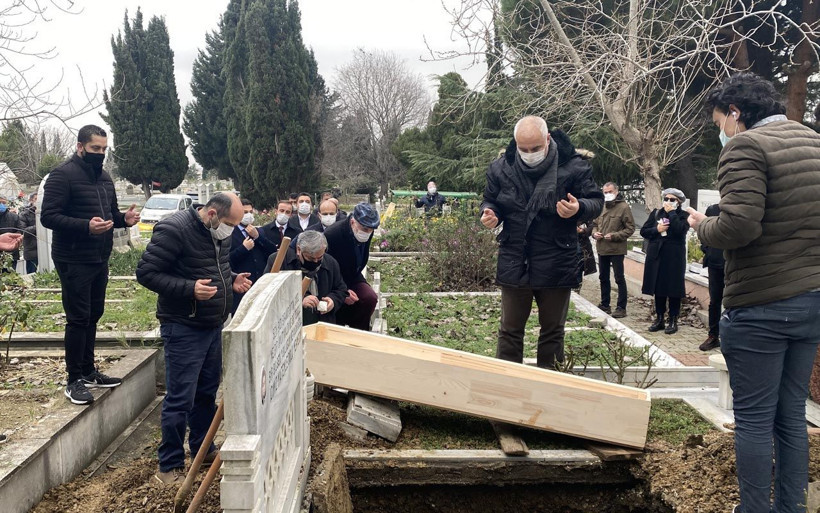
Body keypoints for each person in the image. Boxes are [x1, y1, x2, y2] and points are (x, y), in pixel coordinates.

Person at [687, 72, 820, 513]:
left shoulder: (747, 146)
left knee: (755, 421)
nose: (719, 129)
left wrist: (702, 226)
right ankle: (791, 507)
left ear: (736, 114)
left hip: (762, 305)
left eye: (718, 120)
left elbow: (739, 225)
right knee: (791, 417)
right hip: (810, 302)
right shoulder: (811, 140)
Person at [136, 192, 252, 485]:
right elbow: (146, 273)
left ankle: (203, 448)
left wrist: (232, 278)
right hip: (184, 325)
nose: (231, 230)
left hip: (212, 323)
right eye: (229, 223)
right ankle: (169, 465)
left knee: (206, 392)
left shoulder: (218, 231)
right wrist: (190, 289)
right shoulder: (174, 230)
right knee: (180, 398)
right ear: (212, 213)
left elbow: (213, 266)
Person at [480, 115, 604, 369]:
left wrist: (578, 207)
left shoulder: (574, 166)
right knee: (509, 330)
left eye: (535, 148)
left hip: (557, 257)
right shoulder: (501, 167)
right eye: (523, 149)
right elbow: (490, 199)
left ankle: (549, 388)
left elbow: (596, 202)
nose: (529, 153)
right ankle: (506, 385)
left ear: (547, 140)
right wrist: (490, 213)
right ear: (516, 143)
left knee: (552, 332)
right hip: (516, 257)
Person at [40, 125, 140, 405]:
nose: (100, 154)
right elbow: (49, 217)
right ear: (80, 146)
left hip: (99, 256)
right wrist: (86, 227)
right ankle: (73, 380)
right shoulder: (63, 175)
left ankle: (88, 370)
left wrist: (123, 220)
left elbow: (110, 214)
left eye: (104, 149)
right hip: (73, 257)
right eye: (95, 148)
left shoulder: (105, 178)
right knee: (78, 317)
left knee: (94, 313)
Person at [265, 230, 347, 326]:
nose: (316, 261)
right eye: (311, 258)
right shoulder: (279, 262)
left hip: (322, 323)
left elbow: (341, 289)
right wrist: (300, 300)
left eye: (320, 257)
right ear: (299, 250)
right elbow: (268, 294)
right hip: (290, 324)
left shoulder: (330, 262)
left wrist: (333, 300)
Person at [639, 188, 689, 335]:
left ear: (678, 202)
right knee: (658, 287)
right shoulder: (656, 213)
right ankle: (659, 318)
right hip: (657, 255)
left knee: (674, 288)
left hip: (674, 256)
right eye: (666, 199)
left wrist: (672, 213)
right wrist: (657, 229)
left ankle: (673, 319)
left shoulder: (683, 215)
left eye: (672, 200)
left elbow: (680, 230)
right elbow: (644, 231)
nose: (668, 202)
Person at [324, 202, 381, 331]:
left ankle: (360, 332)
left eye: (371, 229)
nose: (368, 232)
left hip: (353, 274)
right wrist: (343, 291)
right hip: (334, 281)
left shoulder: (366, 232)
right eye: (365, 229)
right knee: (340, 306)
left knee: (369, 298)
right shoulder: (333, 235)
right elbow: (328, 268)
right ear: (353, 222)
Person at [592, 182, 635, 318]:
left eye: (610, 191)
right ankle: (605, 304)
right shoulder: (601, 206)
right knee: (603, 277)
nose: (607, 194)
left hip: (616, 249)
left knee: (619, 278)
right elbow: (594, 224)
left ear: (616, 191)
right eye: (605, 192)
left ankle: (621, 307)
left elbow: (630, 228)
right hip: (602, 247)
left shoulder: (623, 207)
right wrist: (594, 233)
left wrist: (615, 236)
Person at [229, 199, 275, 313]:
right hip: (241, 287)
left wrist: (258, 237)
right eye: (245, 212)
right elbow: (227, 260)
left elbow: (272, 251)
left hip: (259, 285)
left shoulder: (259, 231)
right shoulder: (230, 233)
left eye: (250, 211)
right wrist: (243, 248)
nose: (248, 215)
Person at [698, 203, 723, 352]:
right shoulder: (713, 209)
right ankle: (713, 336)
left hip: (734, 264)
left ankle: (732, 336)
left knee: (734, 303)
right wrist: (707, 250)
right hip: (715, 263)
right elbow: (704, 232)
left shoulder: (737, 208)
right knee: (715, 301)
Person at [17, 193, 38, 273]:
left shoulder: (46, 212)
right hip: (32, 251)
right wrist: (38, 227)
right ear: (31, 200)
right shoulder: (24, 214)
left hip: (47, 250)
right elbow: (23, 231)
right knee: (31, 274)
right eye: (36, 199)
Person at [0, 194, 20, 269]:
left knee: (11, 276)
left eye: (4, 203)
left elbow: (20, 230)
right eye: (0, 203)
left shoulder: (14, 216)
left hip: (12, 253)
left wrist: (14, 238)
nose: (2, 205)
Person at [575, 220, 596, 291]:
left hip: (581, 245)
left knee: (578, 267)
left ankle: (576, 289)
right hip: (564, 243)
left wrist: (583, 230)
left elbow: (592, 226)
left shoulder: (585, 214)